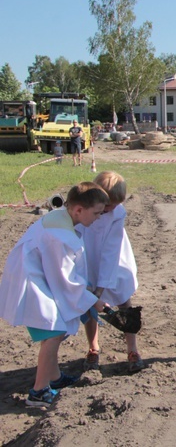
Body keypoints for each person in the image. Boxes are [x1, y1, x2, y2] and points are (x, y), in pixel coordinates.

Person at [0, 182, 109, 407]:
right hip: (30, 282)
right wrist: (95, 302)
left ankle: (55, 378)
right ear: (79, 209)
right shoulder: (59, 236)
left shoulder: (64, 217)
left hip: (38, 278)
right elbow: (65, 279)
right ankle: (38, 392)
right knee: (54, 332)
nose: (98, 217)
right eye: (97, 213)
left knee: (55, 330)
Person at [77, 171, 143, 372]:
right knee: (90, 303)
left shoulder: (117, 214)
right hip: (88, 258)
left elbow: (110, 251)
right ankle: (93, 347)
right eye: (107, 205)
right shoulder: (84, 208)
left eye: (114, 205)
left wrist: (103, 285)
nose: (110, 209)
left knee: (123, 299)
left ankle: (132, 349)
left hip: (115, 259)